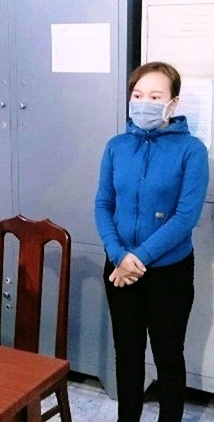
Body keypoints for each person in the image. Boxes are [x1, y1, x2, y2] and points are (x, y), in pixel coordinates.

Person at [95, 61, 209, 422]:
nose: (144, 102)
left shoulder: (192, 150)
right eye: (138, 94)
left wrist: (137, 258)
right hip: (119, 269)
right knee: (127, 354)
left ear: (173, 103)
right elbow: (103, 204)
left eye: (155, 96)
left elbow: (185, 217)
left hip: (168, 274)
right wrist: (118, 255)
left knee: (167, 356)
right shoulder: (116, 147)